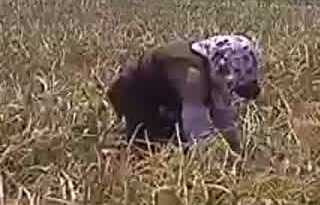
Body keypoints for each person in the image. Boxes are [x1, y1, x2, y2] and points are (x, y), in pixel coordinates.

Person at [105, 34, 264, 153]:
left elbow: (223, 116)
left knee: (178, 141)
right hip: (136, 97)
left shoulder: (212, 67)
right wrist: (215, 158)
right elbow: (196, 125)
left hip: (165, 102)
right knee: (150, 149)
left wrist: (236, 148)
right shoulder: (192, 73)